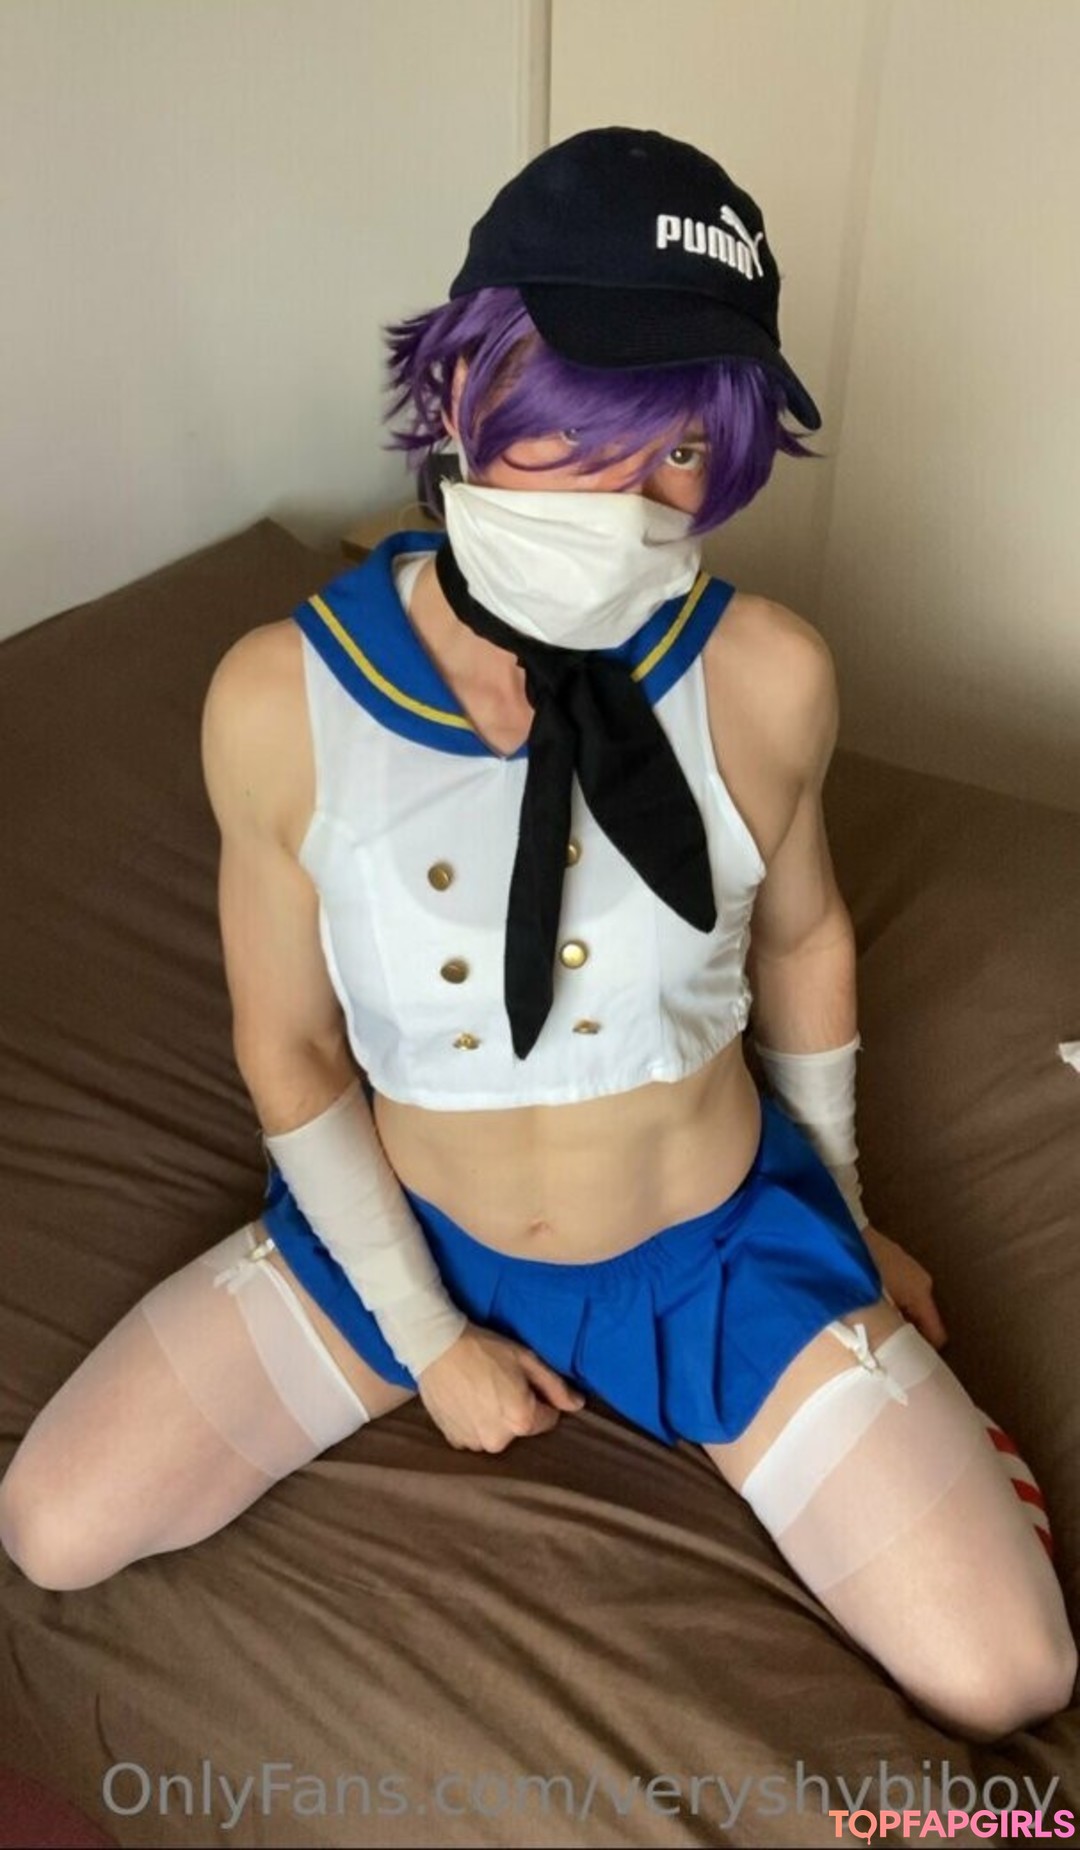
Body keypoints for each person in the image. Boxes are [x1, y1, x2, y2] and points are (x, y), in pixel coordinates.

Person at [0, 126, 1074, 1742]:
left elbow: (804, 947)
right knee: (53, 1521)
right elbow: (287, 1047)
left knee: (1014, 1673)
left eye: (685, 447)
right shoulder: (279, 703)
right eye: (589, 424)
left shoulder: (771, 674)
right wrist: (428, 1341)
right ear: (462, 387)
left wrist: (848, 1218)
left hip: (717, 1249)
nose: (636, 496)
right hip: (411, 1234)